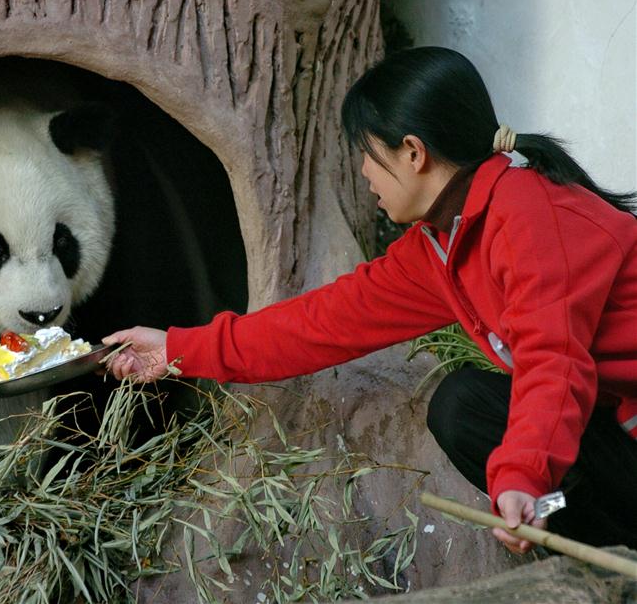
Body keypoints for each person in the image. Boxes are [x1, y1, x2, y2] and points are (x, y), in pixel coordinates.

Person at [102, 46, 637, 555]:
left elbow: (552, 361)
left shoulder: (528, 216)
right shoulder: (442, 241)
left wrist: (523, 475)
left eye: (368, 154)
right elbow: (322, 322)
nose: (363, 172)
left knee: (476, 409)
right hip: (617, 426)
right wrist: (177, 349)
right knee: (465, 406)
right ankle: (609, 562)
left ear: (413, 152)